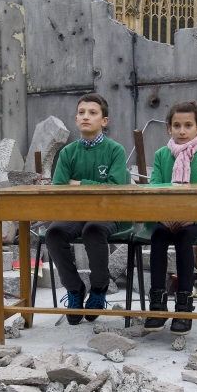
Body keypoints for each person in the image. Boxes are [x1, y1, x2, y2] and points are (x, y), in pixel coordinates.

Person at [45, 93, 129, 325]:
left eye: (93, 113)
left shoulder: (115, 151)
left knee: (93, 230)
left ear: (104, 121)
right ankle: (74, 289)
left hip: (108, 214)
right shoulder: (67, 153)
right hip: (75, 214)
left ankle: (99, 288)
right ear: (75, 119)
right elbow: (59, 188)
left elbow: (114, 188)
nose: (86, 117)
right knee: (54, 232)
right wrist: (87, 186)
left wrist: (79, 183)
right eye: (81, 113)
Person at [144, 102, 197, 335]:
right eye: (176, 125)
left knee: (184, 237)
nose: (182, 130)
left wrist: (190, 215)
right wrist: (168, 215)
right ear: (169, 128)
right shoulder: (161, 155)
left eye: (188, 125)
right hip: (166, 218)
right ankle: (157, 302)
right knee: (158, 234)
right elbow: (156, 186)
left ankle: (184, 303)